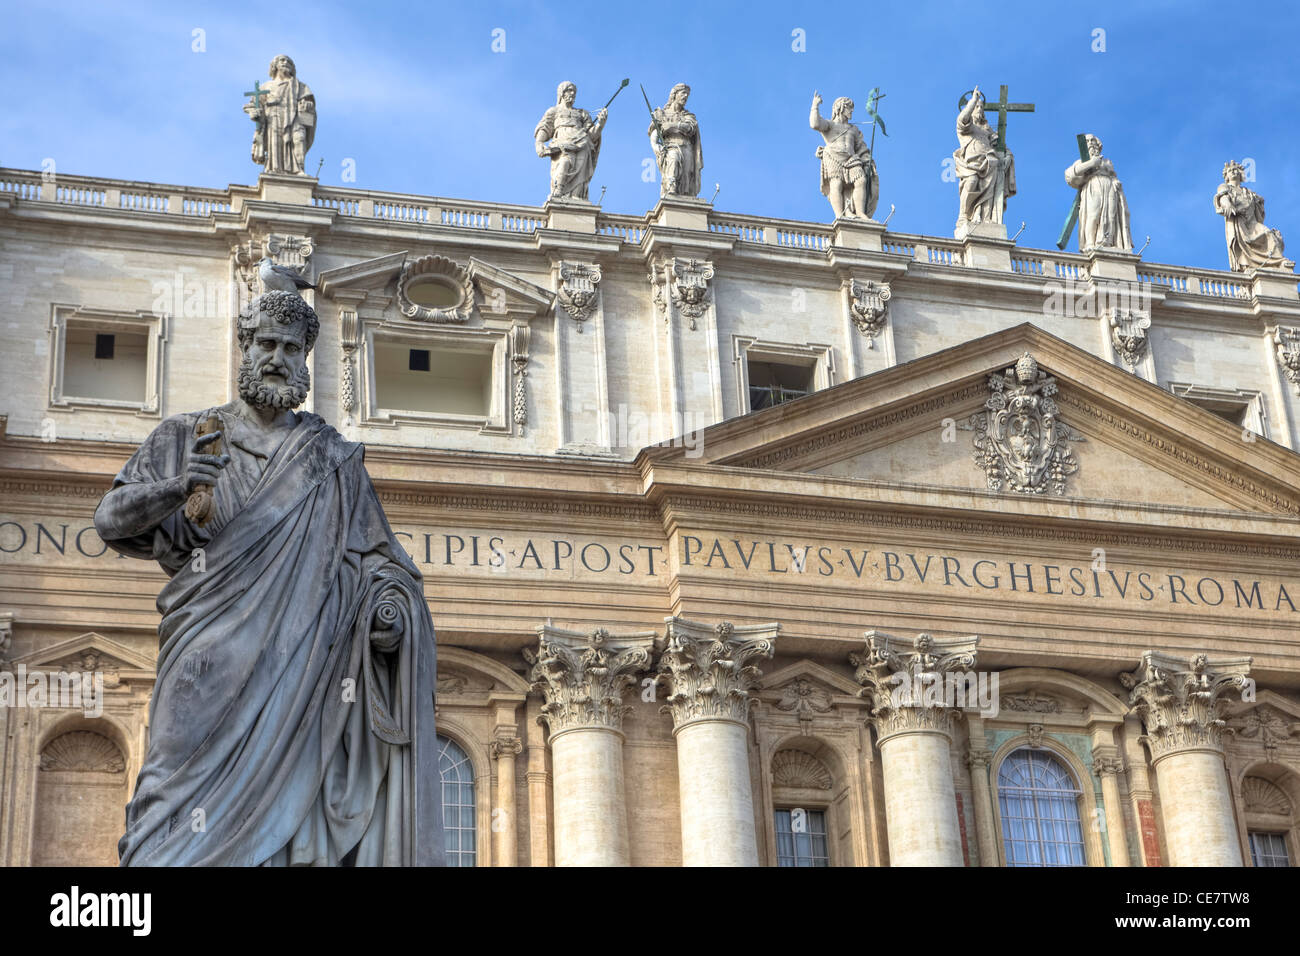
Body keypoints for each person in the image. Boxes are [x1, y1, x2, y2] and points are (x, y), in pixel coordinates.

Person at [95, 290, 442, 866]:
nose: (277, 356)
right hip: (204, 659)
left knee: (289, 812)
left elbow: (381, 561)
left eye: (290, 347)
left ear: (306, 360)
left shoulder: (331, 459)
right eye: (265, 344)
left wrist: (389, 612)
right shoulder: (189, 434)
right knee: (169, 799)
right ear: (245, 349)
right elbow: (110, 521)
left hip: (301, 667)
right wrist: (178, 487)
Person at [953, 86, 1015, 234]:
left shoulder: (987, 129)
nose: (979, 109)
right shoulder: (966, 127)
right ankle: (964, 215)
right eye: (977, 107)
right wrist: (973, 100)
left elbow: (1002, 146)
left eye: (981, 106)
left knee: (988, 192)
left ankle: (984, 218)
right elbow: (963, 119)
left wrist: (1007, 157)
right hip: (970, 164)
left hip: (989, 163)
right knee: (972, 182)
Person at [810, 91, 879, 220]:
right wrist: (815, 105)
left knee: (861, 180)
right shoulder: (830, 125)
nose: (851, 112)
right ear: (840, 107)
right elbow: (815, 124)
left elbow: (861, 148)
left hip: (852, 159)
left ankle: (860, 213)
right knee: (836, 184)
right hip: (833, 157)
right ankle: (840, 214)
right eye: (849, 109)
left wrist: (867, 160)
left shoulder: (854, 130)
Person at [534, 81, 607, 202]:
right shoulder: (554, 111)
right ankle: (559, 191)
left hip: (582, 145)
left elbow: (592, 135)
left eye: (574, 91)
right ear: (562, 93)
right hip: (562, 145)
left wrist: (601, 124)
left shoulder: (582, 113)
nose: (572, 93)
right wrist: (539, 143)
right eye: (569, 90)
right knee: (565, 162)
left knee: (579, 180)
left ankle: (577, 200)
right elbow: (545, 128)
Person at [245, 55, 316, 175]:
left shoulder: (301, 86)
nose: (286, 62)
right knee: (276, 143)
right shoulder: (267, 86)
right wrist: (254, 112)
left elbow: (310, 104)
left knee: (299, 139)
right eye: (282, 60)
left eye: (289, 62)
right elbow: (254, 104)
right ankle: (275, 169)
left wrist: (308, 105)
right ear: (275, 65)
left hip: (295, 117)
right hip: (274, 116)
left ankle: (299, 169)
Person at [1064, 135, 1133, 253]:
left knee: (1111, 215)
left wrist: (1116, 182)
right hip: (1093, 186)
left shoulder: (1107, 161)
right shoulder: (1081, 161)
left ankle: (1109, 242)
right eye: (1087, 141)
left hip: (1109, 188)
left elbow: (1113, 175)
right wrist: (1091, 163)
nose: (1091, 143)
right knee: (1093, 214)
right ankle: (1090, 243)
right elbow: (1070, 176)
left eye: (1093, 140)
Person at [650, 83, 703, 198]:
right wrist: (655, 146)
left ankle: (685, 202)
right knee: (673, 161)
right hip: (670, 146)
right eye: (683, 93)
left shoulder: (688, 115)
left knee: (686, 179)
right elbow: (654, 132)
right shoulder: (661, 113)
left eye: (687, 95)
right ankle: (670, 190)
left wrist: (671, 126)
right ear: (674, 94)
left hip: (687, 147)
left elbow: (690, 128)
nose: (685, 97)